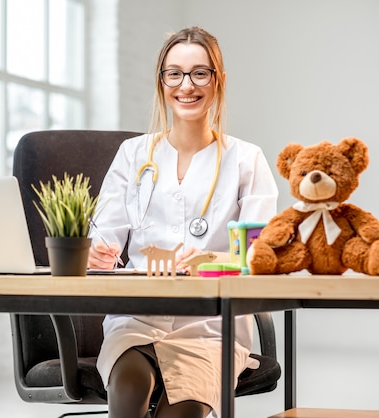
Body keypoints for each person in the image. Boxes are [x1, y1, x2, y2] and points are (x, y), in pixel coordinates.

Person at [87, 26, 278, 418]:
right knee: (128, 386)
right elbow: (102, 237)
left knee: (181, 412)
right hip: (136, 319)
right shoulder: (133, 154)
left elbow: (261, 258)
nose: (185, 85)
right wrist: (97, 253)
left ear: (218, 80)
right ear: (162, 81)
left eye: (199, 73)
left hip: (211, 328)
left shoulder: (247, 160)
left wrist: (210, 263)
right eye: (174, 73)